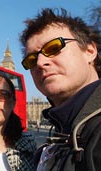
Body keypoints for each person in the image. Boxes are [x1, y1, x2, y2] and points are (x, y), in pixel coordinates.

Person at [20, 8, 101, 170]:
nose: (40, 62)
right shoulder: (60, 132)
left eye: (53, 48)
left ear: (90, 51)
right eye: (32, 59)